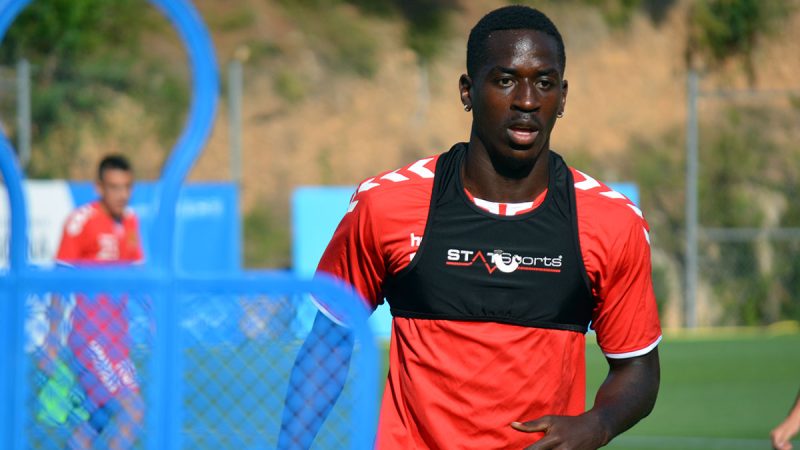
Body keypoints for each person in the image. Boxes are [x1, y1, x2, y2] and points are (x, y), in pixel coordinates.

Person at [278, 5, 661, 449]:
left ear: (563, 97)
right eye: (505, 80)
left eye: (544, 82)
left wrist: (598, 424)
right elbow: (328, 343)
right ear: (467, 90)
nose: (527, 100)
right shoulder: (386, 206)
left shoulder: (611, 222)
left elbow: (637, 367)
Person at [45, 154, 144, 450]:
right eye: (114, 187)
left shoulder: (130, 221)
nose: (122, 195)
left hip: (117, 338)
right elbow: (59, 282)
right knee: (133, 410)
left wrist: (157, 319)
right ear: (99, 187)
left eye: (127, 187)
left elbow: (139, 278)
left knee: (98, 417)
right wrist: (52, 337)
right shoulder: (81, 222)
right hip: (90, 336)